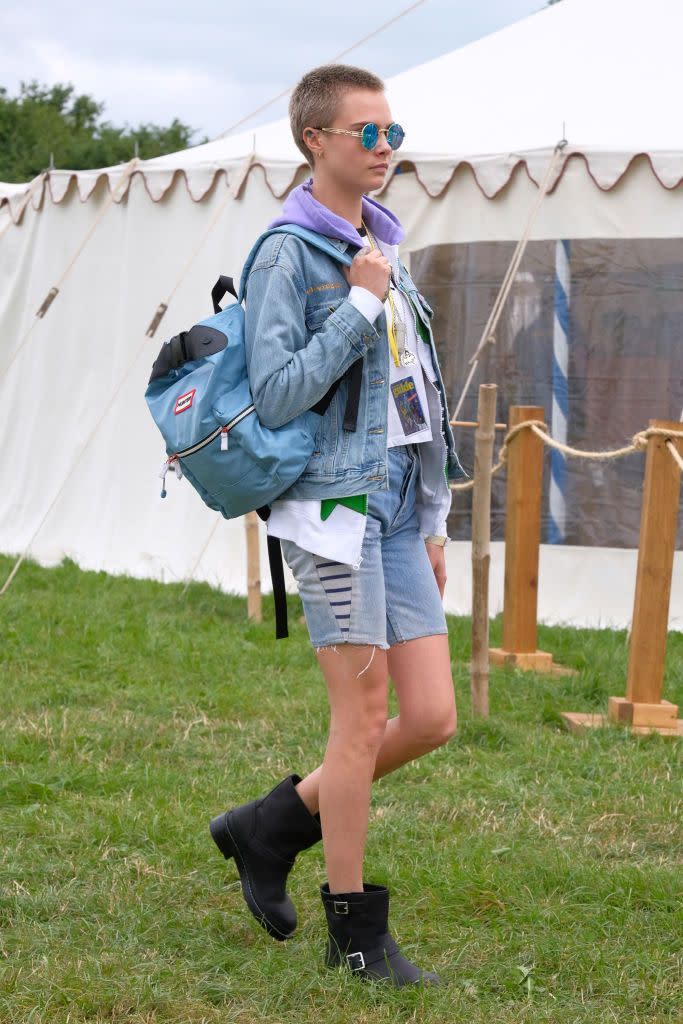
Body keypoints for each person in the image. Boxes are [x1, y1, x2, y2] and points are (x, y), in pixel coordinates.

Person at [209, 63, 467, 988]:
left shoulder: (378, 243)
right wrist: (358, 303)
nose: (385, 147)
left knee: (431, 716)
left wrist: (433, 517)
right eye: (368, 132)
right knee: (358, 721)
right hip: (330, 510)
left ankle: (268, 827)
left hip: (397, 505)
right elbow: (277, 395)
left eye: (392, 132)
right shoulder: (287, 254)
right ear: (316, 139)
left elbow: (413, 401)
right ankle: (354, 930)